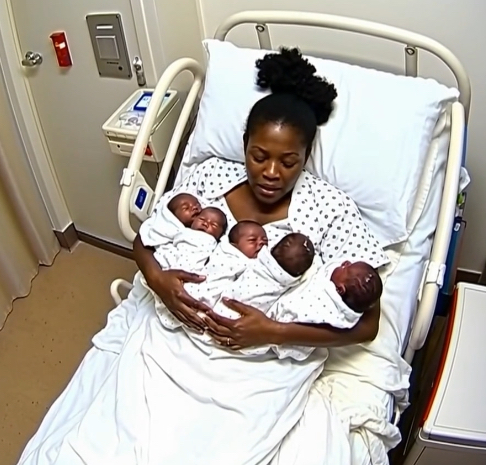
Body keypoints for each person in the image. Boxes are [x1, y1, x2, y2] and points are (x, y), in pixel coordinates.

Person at [17, 47, 389, 465]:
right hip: (173, 334)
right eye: (259, 156)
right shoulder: (211, 175)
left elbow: (368, 325)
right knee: (119, 435)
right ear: (244, 146)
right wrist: (160, 283)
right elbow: (148, 239)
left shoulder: (329, 208)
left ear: (306, 157)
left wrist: (272, 332)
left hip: (259, 363)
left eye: (289, 162)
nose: (271, 173)